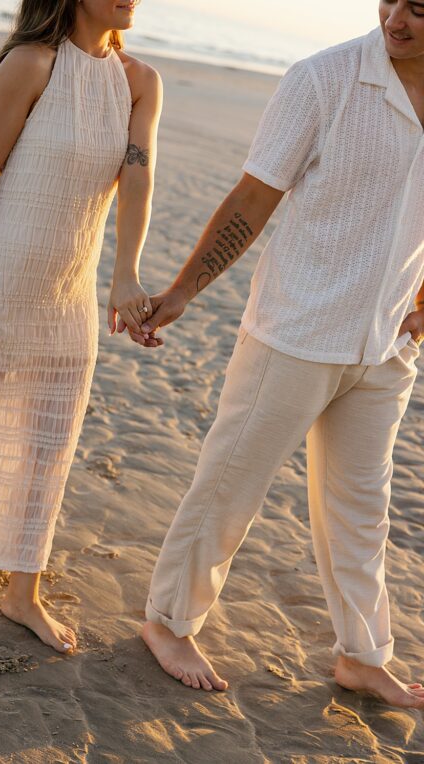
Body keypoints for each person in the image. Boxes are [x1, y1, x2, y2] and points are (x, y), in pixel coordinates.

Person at [137, 0, 424, 707]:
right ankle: (169, 623)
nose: (395, 17)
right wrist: (182, 292)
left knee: (362, 509)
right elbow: (254, 197)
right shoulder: (321, 79)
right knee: (232, 483)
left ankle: (362, 655)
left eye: (418, 8)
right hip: (295, 333)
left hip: (384, 346)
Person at [0, 0, 162, 652]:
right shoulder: (32, 64)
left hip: (69, 293)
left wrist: (125, 273)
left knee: (50, 443)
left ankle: (21, 592)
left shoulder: (140, 82)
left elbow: (136, 181)